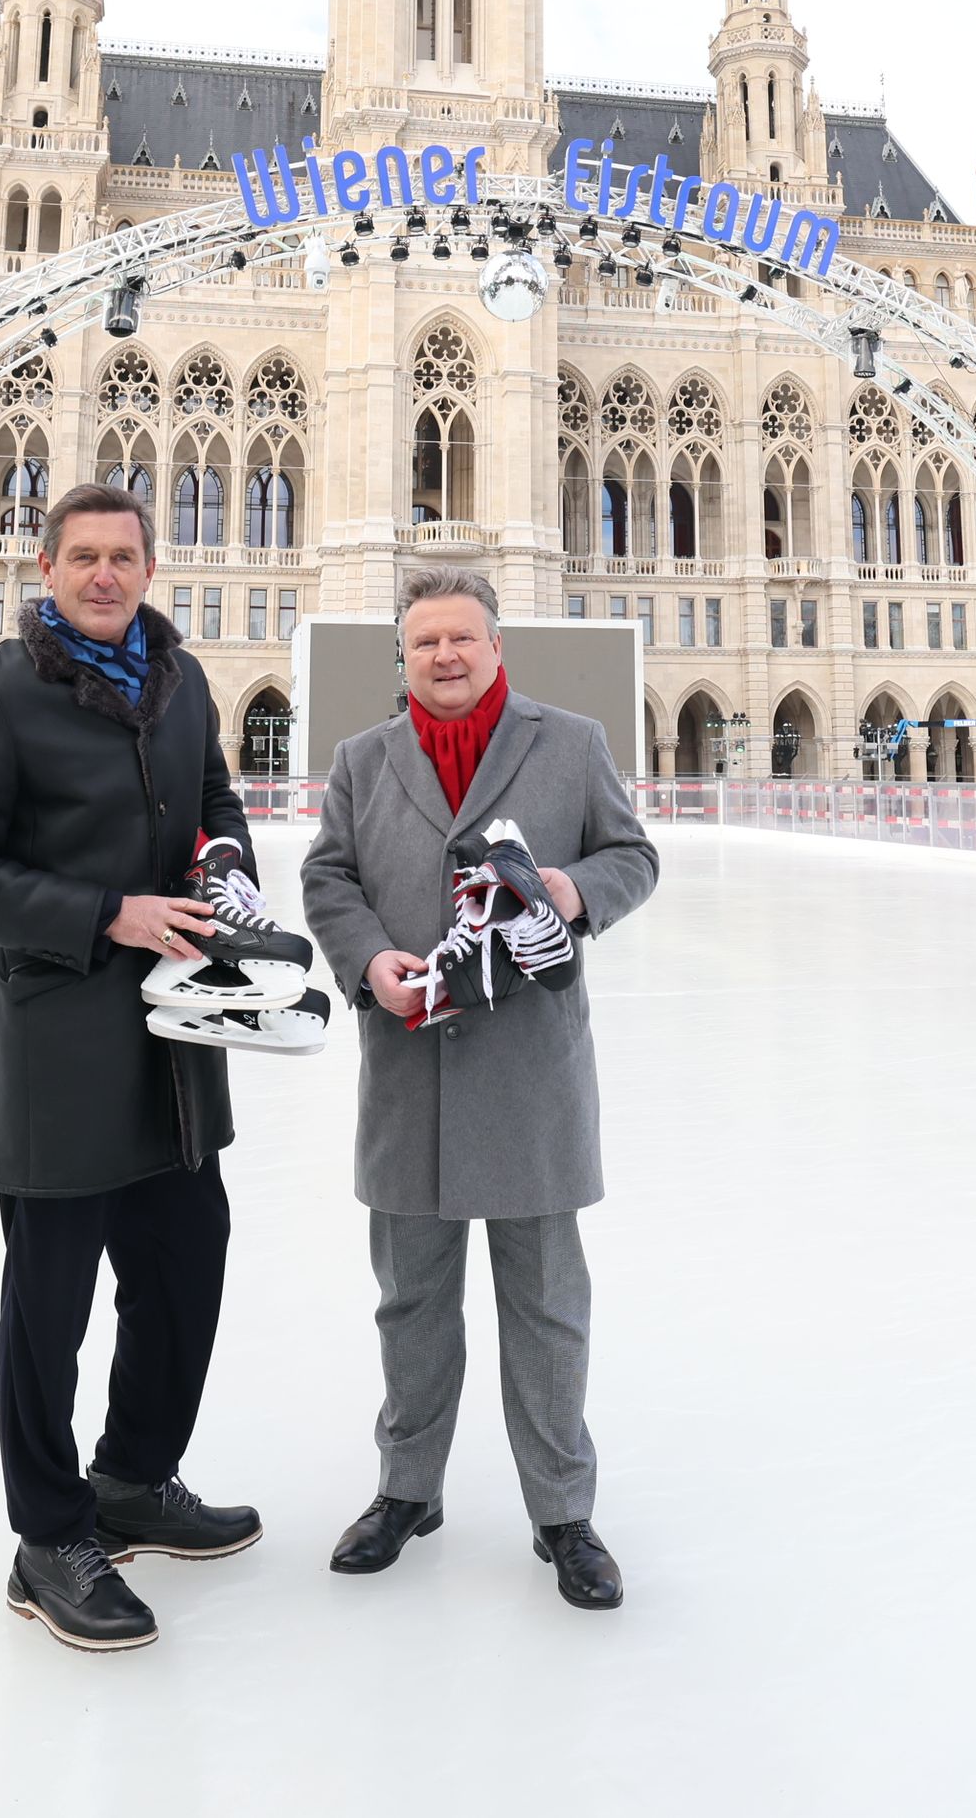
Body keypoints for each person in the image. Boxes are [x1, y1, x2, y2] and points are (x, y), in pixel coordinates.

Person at [0, 479, 259, 1652]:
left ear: (150, 570)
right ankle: (48, 1535)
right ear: (47, 570)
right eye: (83, 557)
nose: (104, 574)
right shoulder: (1, 695)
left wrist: (225, 867)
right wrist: (104, 912)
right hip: (63, 1050)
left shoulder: (181, 678)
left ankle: (134, 1480)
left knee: (183, 1272)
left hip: (173, 1051)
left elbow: (216, 799)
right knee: (45, 1312)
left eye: (123, 556)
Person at [298, 565, 660, 1610]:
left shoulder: (571, 743)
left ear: (497, 647)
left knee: (545, 1304)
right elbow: (329, 878)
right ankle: (406, 1490)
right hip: (410, 1072)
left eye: (461, 639)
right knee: (411, 1301)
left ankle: (562, 1513)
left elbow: (631, 856)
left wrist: (569, 891)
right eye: (425, 643)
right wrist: (367, 961)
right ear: (403, 658)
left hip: (528, 1077)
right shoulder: (362, 760)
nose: (444, 656)